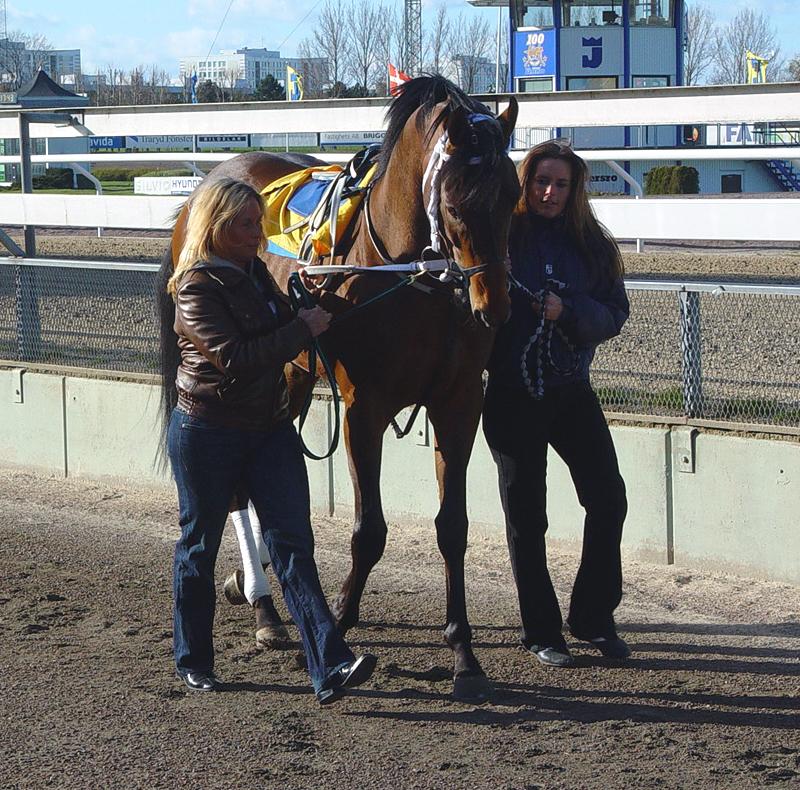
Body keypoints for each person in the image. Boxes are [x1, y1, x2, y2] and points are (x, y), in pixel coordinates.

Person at [166, 176, 376, 703]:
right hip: (207, 430)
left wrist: (313, 303)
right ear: (216, 226)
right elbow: (235, 358)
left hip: (269, 429)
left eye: (257, 222)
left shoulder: (256, 272)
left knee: (293, 546)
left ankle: (330, 664)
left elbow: (284, 324)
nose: (256, 234)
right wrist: (302, 328)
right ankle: (193, 659)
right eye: (244, 224)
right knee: (199, 545)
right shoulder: (194, 286)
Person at [483, 141, 630, 668]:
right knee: (528, 518)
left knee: (608, 499)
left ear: (575, 189)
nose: (550, 192)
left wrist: (568, 310)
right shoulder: (500, 234)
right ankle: (541, 631)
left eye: (561, 184)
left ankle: (592, 617)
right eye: (542, 181)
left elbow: (615, 313)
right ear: (526, 182)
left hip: (571, 391)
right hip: (512, 394)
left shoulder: (594, 245)